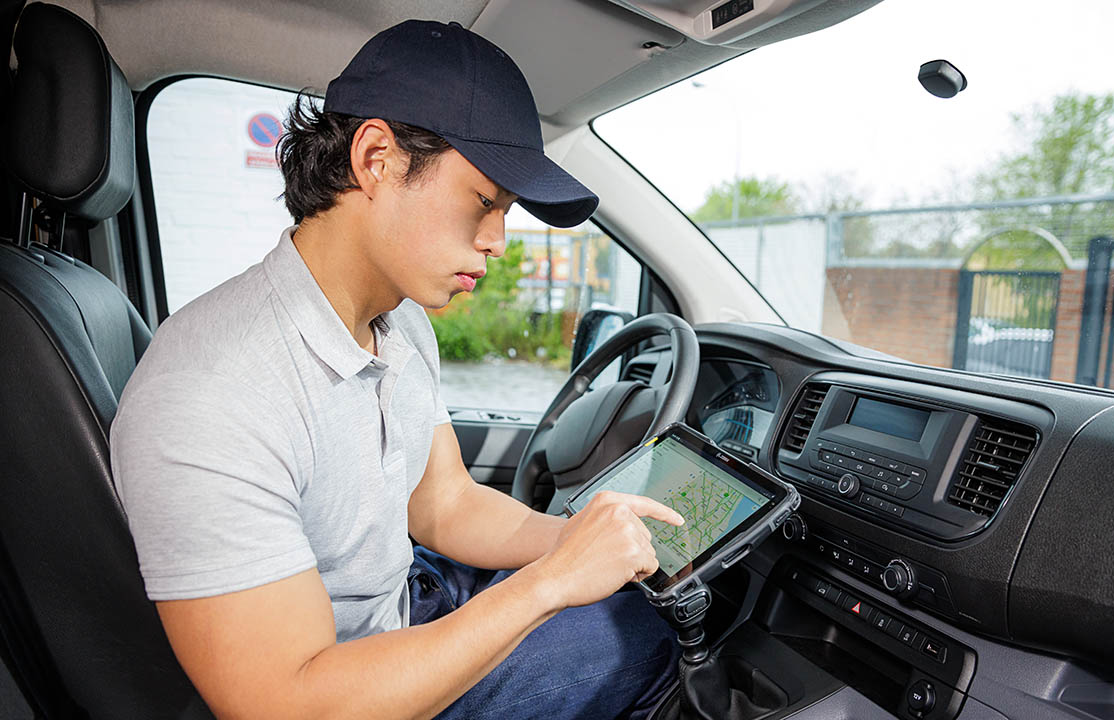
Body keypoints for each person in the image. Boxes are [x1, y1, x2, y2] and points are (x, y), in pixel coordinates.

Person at [110, 19, 684, 720]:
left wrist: (576, 539)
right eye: (484, 201)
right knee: (645, 638)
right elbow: (285, 702)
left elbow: (445, 503)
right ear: (376, 158)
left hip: (408, 599)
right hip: (347, 689)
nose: (499, 241)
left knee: (635, 600)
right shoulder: (210, 394)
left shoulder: (401, 319)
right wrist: (549, 584)